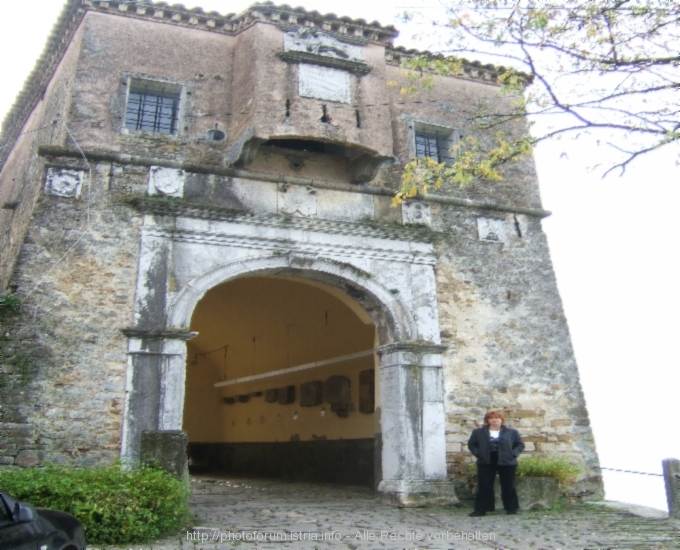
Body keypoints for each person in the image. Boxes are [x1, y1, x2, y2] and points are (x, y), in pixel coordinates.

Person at [467, 411, 525, 516]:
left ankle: (511, 508)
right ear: (487, 420)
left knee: (508, 485)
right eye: (491, 418)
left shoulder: (511, 432)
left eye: (497, 418)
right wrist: (479, 454)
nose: (494, 420)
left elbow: (519, 445)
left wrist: (513, 454)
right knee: (484, 485)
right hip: (486, 460)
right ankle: (481, 510)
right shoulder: (478, 432)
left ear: (502, 420)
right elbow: (472, 444)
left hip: (507, 461)